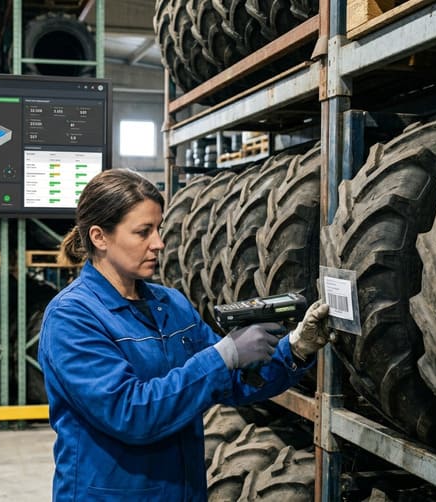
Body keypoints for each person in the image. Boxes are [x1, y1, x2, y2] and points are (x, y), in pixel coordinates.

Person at [37, 169, 331, 501]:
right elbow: (131, 414)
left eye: (159, 229)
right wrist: (222, 356)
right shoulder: (72, 317)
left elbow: (231, 381)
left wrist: (296, 348)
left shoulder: (170, 304)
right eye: (143, 232)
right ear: (99, 237)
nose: (158, 244)